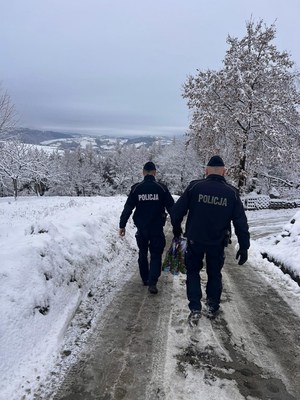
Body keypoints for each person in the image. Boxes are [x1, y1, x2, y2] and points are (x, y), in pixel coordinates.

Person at [171, 155, 250, 325]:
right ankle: (212, 306)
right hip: (217, 242)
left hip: (195, 240)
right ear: (225, 172)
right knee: (214, 274)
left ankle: (195, 307)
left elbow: (176, 212)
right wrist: (244, 246)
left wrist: (177, 229)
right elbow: (241, 223)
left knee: (192, 272)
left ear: (206, 171)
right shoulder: (232, 193)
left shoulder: (195, 187)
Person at [119, 161, 177, 294]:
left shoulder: (136, 189)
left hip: (142, 229)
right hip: (157, 228)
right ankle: (152, 282)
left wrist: (122, 225)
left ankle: (145, 278)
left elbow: (128, 208)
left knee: (143, 253)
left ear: (143, 173)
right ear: (155, 173)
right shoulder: (161, 188)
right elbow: (172, 209)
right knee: (156, 254)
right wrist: (176, 225)